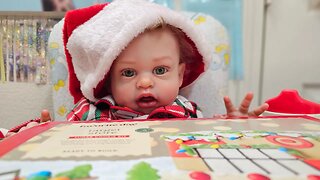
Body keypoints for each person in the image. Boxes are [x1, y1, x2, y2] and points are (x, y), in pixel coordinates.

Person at [5, 0, 268, 137]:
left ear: (180, 74)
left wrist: (236, 126)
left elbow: (212, 141)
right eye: (128, 73)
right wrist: (44, 132)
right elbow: (62, 140)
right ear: (108, 80)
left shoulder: (188, 110)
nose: (144, 83)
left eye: (160, 70)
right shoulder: (91, 111)